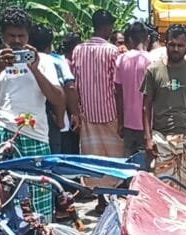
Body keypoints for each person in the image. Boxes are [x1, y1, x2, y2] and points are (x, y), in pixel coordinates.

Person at [0, 6, 64, 222]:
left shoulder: (45, 61)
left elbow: (59, 99)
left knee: (40, 199)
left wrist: (35, 68)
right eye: (11, 36)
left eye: (21, 36)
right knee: (6, 199)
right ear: (2, 36)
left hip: (37, 137)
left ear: (28, 35)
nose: (16, 41)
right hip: (5, 136)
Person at [142, 24, 186, 189]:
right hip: (161, 140)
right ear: (165, 43)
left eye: (180, 45)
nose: (175, 49)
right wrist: (148, 138)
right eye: (172, 44)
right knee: (163, 189)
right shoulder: (153, 71)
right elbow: (146, 107)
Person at [71, 9, 123, 202]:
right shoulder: (112, 51)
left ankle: (101, 200)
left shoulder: (78, 50)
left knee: (93, 160)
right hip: (111, 113)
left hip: (88, 114)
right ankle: (113, 199)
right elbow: (117, 86)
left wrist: (76, 112)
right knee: (114, 160)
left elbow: (74, 84)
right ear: (108, 27)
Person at [29, 24, 78, 154]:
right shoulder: (57, 60)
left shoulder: (21, 61)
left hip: (29, 118)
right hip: (55, 115)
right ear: (50, 44)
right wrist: (74, 114)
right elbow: (70, 87)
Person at [114, 21, 151, 157]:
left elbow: (118, 93)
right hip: (148, 124)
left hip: (128, 123)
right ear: (147, 38)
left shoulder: (121, 60)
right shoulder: (152, 61)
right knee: (146, 167)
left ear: (129, 39)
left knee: (129, 166)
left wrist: (120, 122)